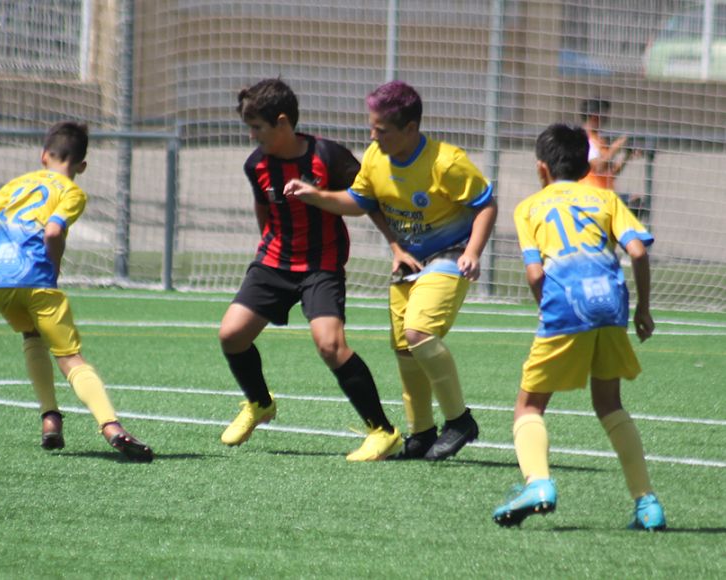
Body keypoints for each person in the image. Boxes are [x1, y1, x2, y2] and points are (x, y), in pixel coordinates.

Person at [285, 80, 497, 461]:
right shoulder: (374, 157)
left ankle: (460, 421)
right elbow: (359, 200)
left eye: (381, 129)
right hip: (408, 261)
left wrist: (475, 252)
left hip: (450, 255)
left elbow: (486, 205)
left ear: (410, 129)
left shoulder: (446, 162)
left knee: (419, 332)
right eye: (372, 127)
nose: (373, 135)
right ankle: (421, 433)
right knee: (403, 348)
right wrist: (316, 196)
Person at [492, 123, 665, 530]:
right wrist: (643, 309)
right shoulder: (605, 197)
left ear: (541, 169)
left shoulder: (529, 207)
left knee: (529, 406)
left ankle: (538, 484)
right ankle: (647, 503)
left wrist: (547, 310)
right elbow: (637, 251)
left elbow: (535, 275)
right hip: (610, 305)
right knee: (609, 404)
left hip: (565, 306)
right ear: (587, 164)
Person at [219, 78, 402, 461]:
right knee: (231, 335)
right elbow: (263, 209)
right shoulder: (256, 164)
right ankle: (259, 403)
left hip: (321, 264)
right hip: (273, 262)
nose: (252, 136)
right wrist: (265, 254)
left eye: (258, 128)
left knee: (330, 345)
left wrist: (396, 245)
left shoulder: (327, 156)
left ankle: (383, 431)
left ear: (283, 123)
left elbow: (366, 200)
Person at [0, 121, 153, 462]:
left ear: (43, 156)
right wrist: (51, 267)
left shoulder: (17, 183)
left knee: (31, 336)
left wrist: (7, 247)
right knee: (69, 358)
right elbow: (53, 232)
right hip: (34, 277)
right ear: (82, 165)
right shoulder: (72, 192)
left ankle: (50, 418)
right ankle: (111, 426)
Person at [579, 98, 647, 222]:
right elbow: (598, 166)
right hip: (591, 198)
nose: (605, 119)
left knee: (636, 202)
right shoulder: (585, 139)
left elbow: (612, 172)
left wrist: (626, 156)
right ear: (594, 116)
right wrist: (617, 145)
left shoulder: (599, 140)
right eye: (603, 115)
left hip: (605, 195)